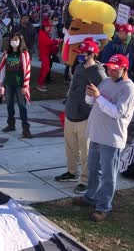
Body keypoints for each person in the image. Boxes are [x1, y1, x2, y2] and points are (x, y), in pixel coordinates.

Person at [73, 54, 134, 221]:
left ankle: (103, 207)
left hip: (112, 138)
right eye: (109, 68)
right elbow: (91, 102)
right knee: (93, 171)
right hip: (96, 135)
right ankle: (90, 198)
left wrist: (98, 96)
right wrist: (90, 94)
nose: (110, 71)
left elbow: (117, 112)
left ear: (124, 69)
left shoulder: (129, 89)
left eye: (115, 69)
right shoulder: (106, 81)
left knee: (108, 175)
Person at [55, 39, 107, 194]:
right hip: (71, 113)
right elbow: (73, 86)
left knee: (86, 151)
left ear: (92, 54)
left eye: (83, 54)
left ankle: (85, 180)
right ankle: (71, 172)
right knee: (70, 147)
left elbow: (103, 95)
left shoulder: (99, 73)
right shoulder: (78, 67)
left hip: (85, 118)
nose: (79, 56)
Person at [0, 33, 32, 138]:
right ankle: (11, 124)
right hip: (9, 83)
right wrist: (1, 83)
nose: (14, 42)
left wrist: (25, 85)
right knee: (9, 104)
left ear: (20, 41)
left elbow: (27, 70)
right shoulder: (7, 54)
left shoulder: (24, 54)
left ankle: (26, 129)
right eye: (12, 40)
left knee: (22, 106)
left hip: (20, 84)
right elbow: (3, 69)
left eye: (16, 40)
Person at [37, 19, 60, 92]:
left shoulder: (45, 33)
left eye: (49, 27)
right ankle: (40, 83)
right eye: (47, 27)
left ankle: (40, 83)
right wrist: (57, 41)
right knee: (46, 69)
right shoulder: (42, 33)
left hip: (46, 53)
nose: (49, 28)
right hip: (44, 54)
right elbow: (48, 42)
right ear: (44, 27)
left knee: (44, 69)